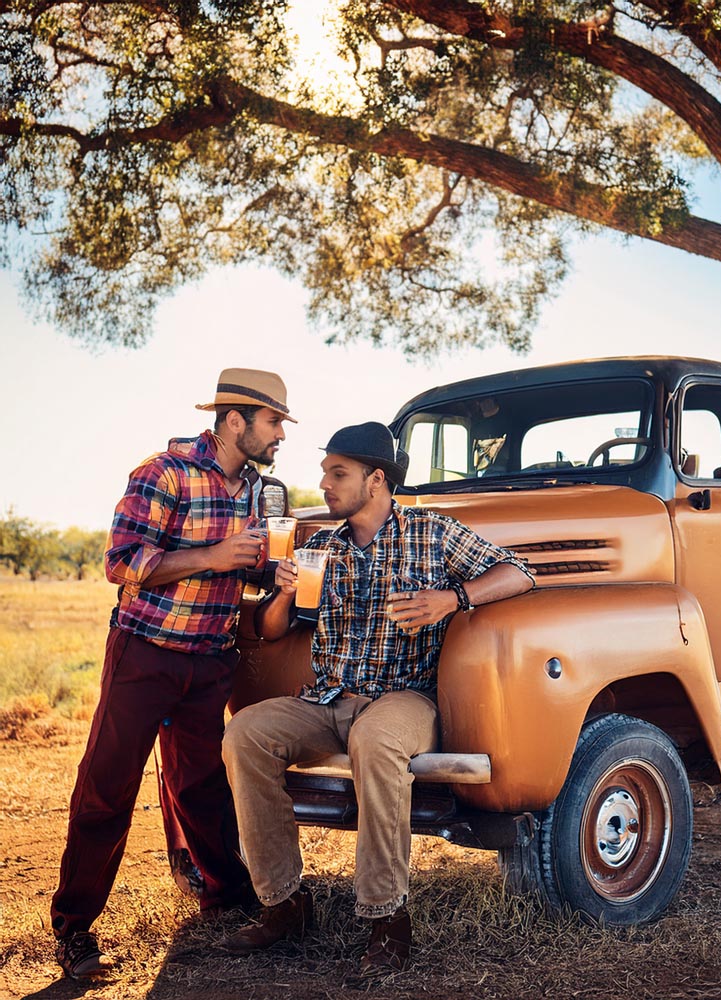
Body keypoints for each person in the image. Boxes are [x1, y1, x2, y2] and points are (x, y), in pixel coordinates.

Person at [221, 421, 534, 979]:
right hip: (327, 698)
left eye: (337, 474)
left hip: (404, 699)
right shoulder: (321, 546)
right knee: (245, 732)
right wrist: (286, 593)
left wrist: (451, 598)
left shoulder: (432, 534)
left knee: (375, 737)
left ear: (376, 480)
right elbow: (272, 629)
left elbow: (520, 573)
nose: (325, 485)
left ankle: (388, 918)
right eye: (324, 473)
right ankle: (284, 903)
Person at [51, 368, 296, 981]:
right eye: (274, 423)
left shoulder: (260, 492)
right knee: (107, 786)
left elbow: (247, 570)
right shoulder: (161, 474)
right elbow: (122, 563)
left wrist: (276, 579)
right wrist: (214, 556)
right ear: (235, 421)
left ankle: (223, 894)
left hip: (211, 659)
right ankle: (74, 928)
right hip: (144, 654)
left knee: (202, 787)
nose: (281, 436)